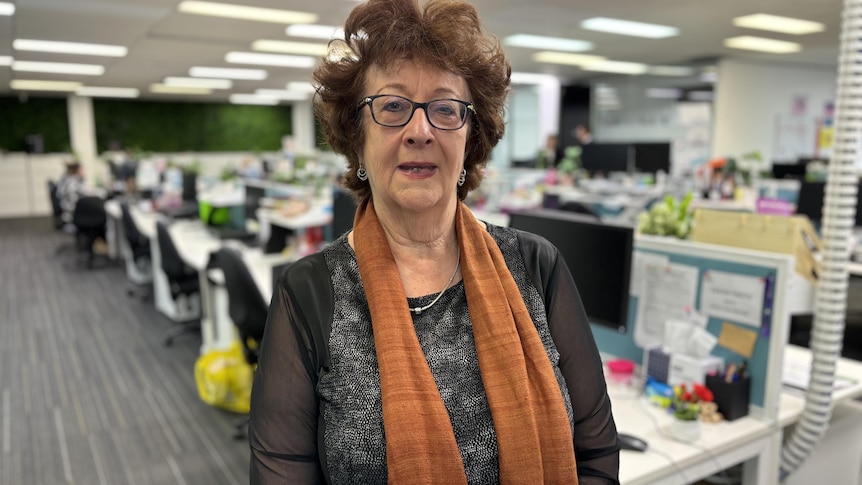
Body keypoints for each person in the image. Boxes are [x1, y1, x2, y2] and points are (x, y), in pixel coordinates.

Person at [248, 0, 619, 483]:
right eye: (393, 106)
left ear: (471, 137)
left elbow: (595, 454)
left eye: (445, 109)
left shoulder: (535, 266)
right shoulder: (311, 291)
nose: (419, 131)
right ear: (357, 136)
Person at [55, 161, 85, 229]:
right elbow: (77, 199)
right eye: (82, 170)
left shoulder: (67, 179)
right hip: (70, 214)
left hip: (66, 210)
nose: (84, 172)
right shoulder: (72, 182)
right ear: (77, 171)